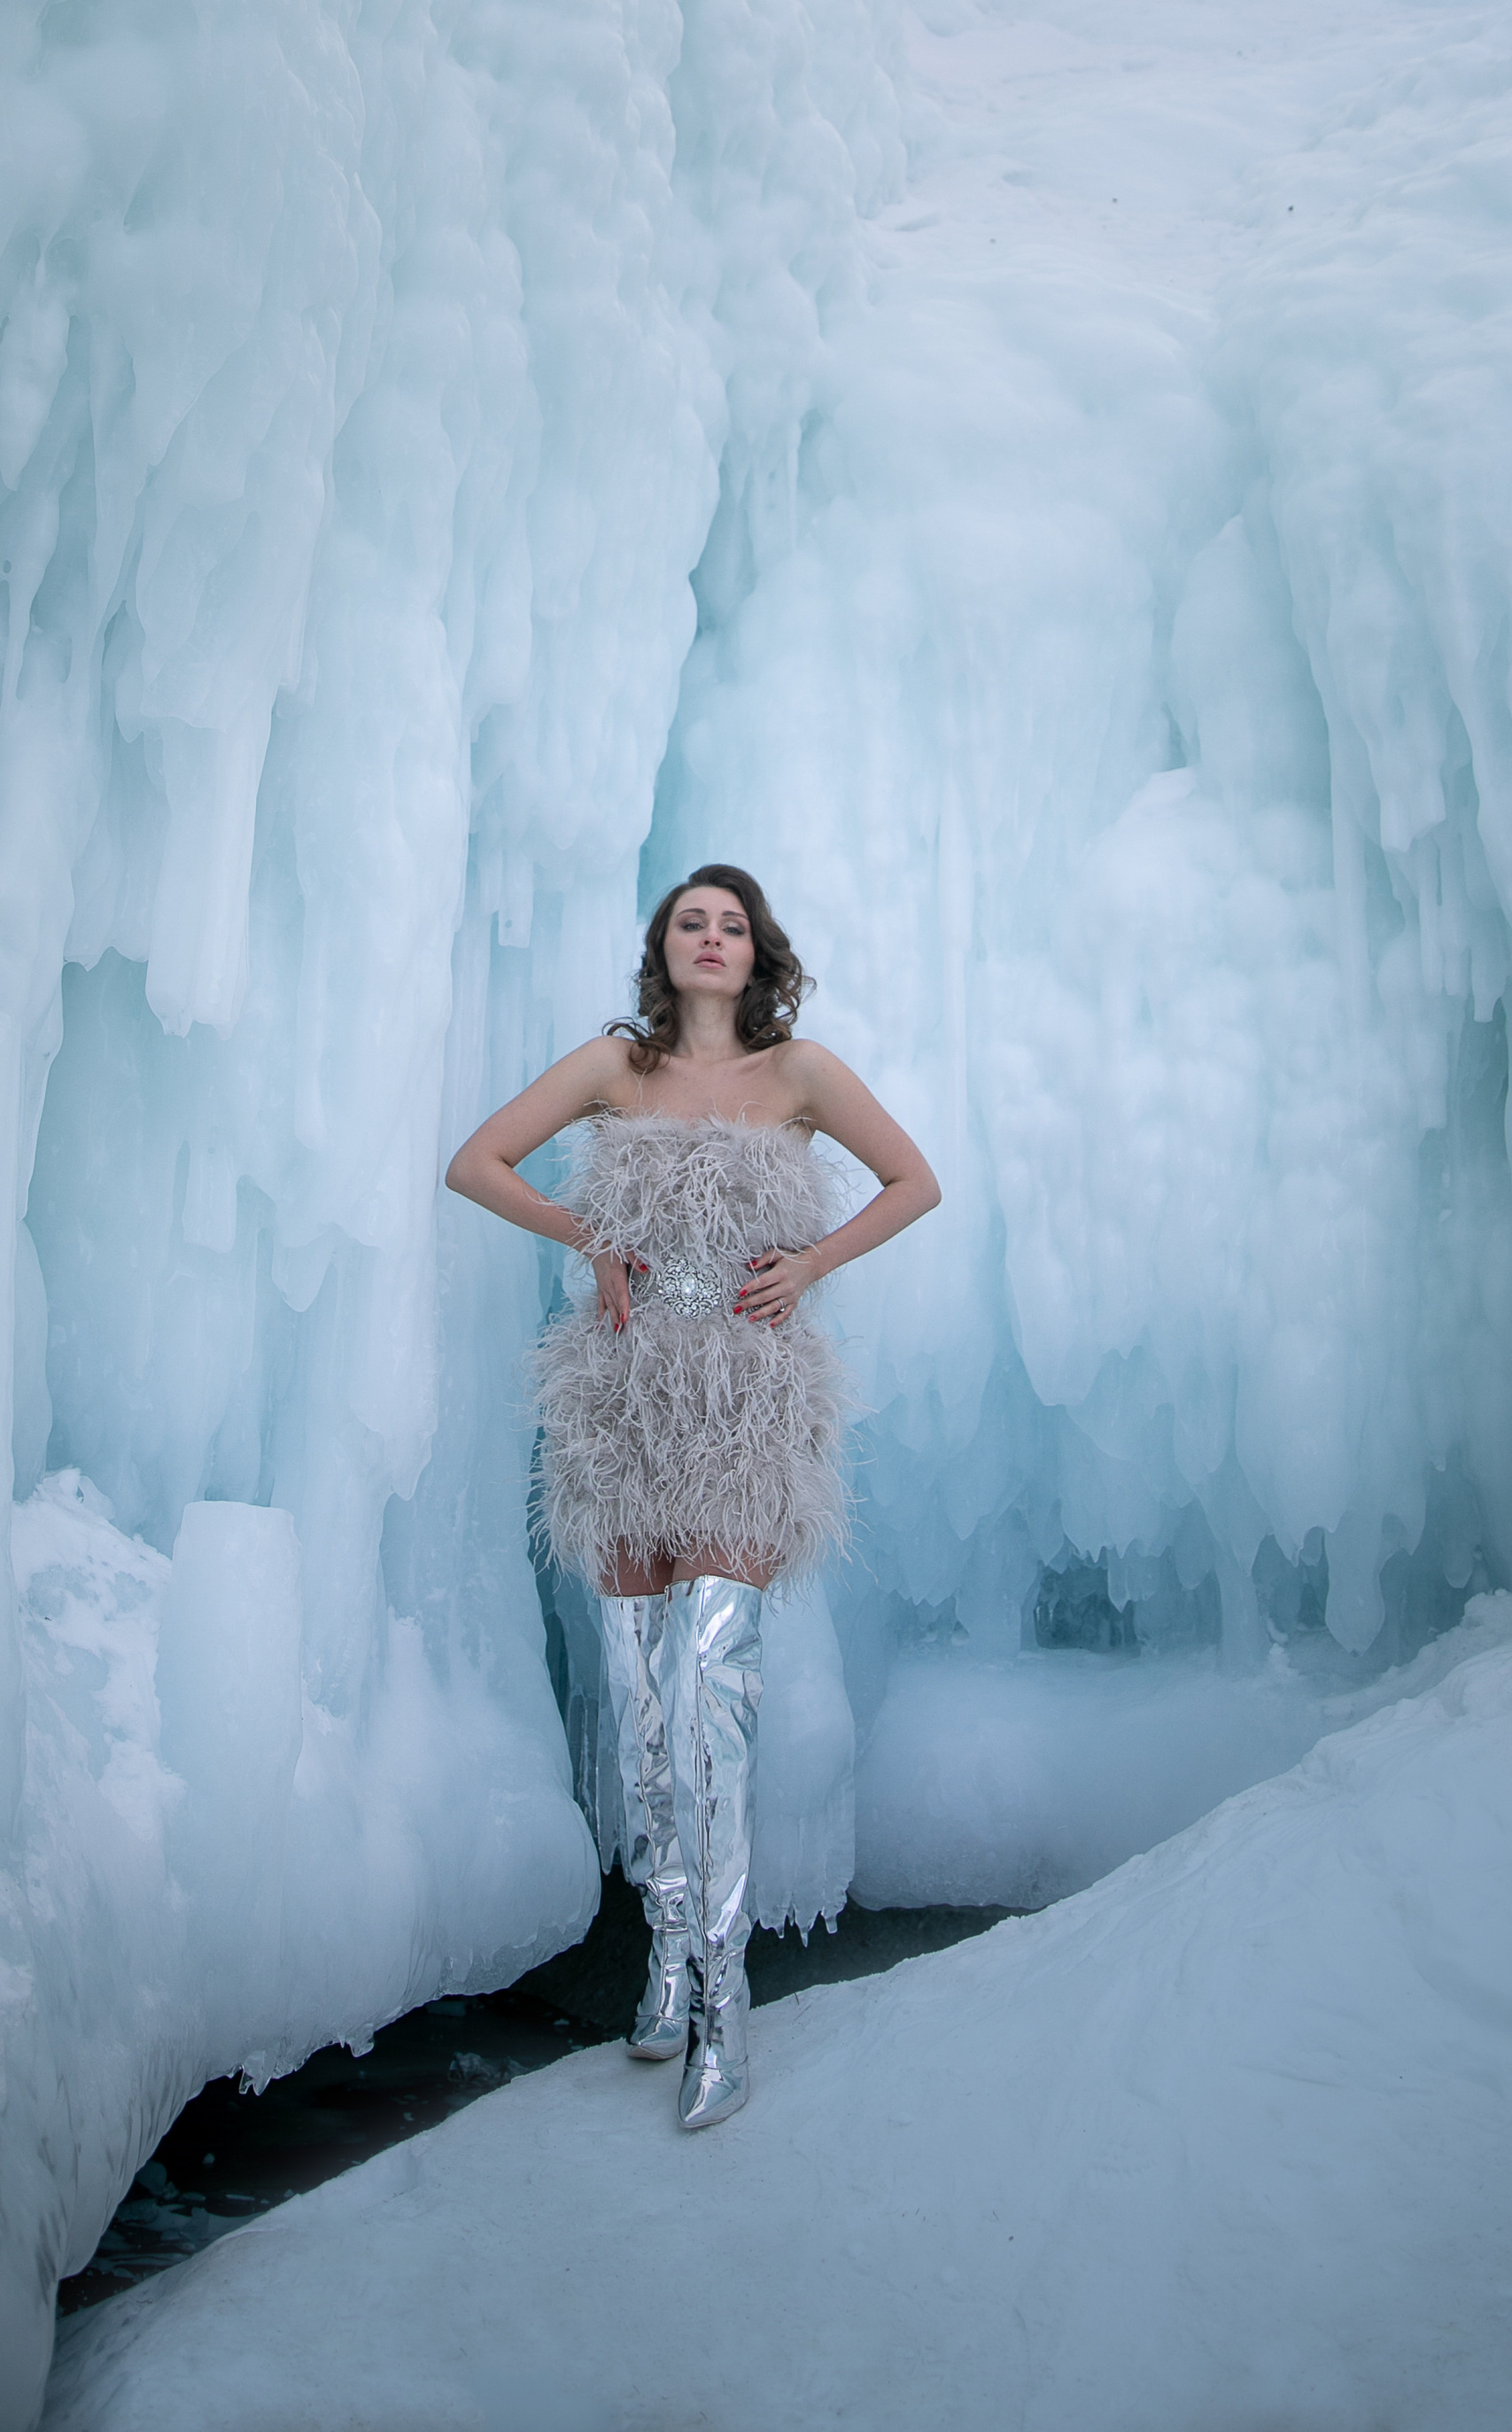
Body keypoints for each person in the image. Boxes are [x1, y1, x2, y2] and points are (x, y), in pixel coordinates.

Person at [446, 865, 940, 2131]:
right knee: (638, 1707)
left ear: (756, 950)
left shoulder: (801, 1074)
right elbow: (475, 1162)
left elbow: (912, 1182)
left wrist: (811, 1265)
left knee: (711, 1699)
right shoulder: (619, 1064)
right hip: (619, 1404)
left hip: (748, 1407)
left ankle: (726, 2002)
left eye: (731, 925)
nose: (711, 940)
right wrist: (584, 1238)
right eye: (689, 924)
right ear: (662, 950)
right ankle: (666, 1955)